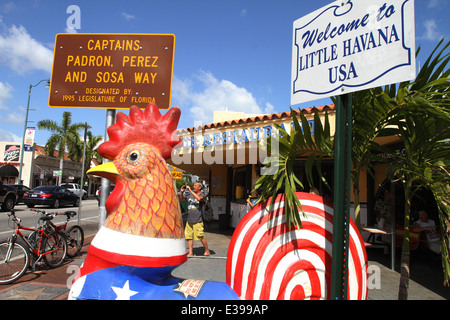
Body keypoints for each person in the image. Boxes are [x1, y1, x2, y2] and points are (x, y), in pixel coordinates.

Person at [180, 182, 210, 256]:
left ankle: (207, 250)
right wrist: (181, 192)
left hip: (198, 219)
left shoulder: (203, 194)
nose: (194, 187)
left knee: (200, 236)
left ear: (200, 187)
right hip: (189, 219)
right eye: (193, 185)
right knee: (188, 236)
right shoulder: (190, 194)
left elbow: (199, 198)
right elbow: (182, 199)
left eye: (195, 186)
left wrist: (190, 190)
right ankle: (190, 252)